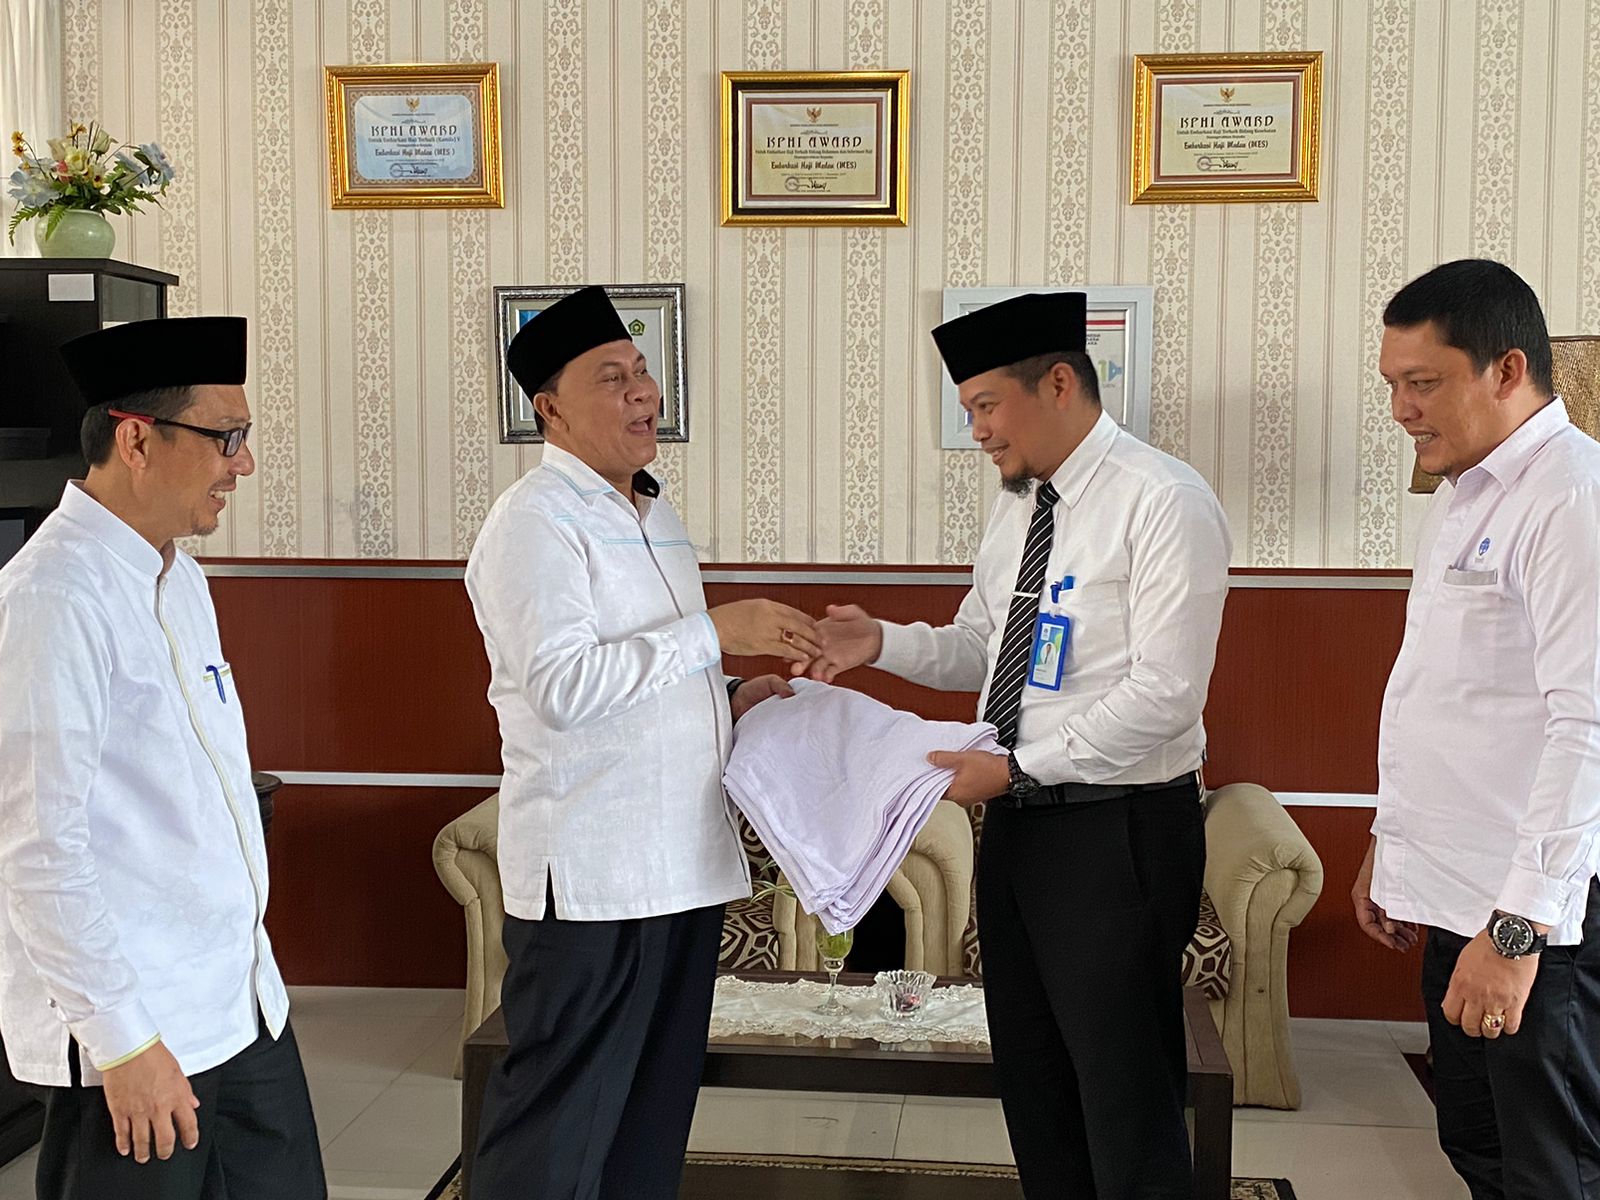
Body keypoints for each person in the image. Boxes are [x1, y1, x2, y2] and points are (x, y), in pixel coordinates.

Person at [801, 291, 1231, 1199]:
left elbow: (1166, 694)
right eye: (968, 412)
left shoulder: (1162, 499)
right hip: (1021, 824)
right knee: (1035, 1076)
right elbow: (984, 647)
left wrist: (1018, 767)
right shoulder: (1022, 505)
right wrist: (881, 641)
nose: (979, 433)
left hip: (1118, 831)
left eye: (987, 407)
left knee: (1123, 1088)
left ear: (1060, 383)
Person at [465, 285, 821, 1199]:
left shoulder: (656, 514)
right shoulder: (535, 521)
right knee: (559, 1133)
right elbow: (563, 689)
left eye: (643, 371)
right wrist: (715, 634)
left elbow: (648, 677)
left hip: (681, 871)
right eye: (611, 377)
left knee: (649, 1124)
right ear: (549, 408)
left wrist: (731, 695)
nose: (643, 393)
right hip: (595, 883)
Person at [0, 317, 324, 1199]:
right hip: (139, 1033)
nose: (242, 465)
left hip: (240, 1002)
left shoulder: (179, 575)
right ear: (137, 440)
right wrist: (123, 1042)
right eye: (226, 437)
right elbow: (38, 849)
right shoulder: (53, 597)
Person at [1353, 259, 1600, 1199]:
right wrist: (1391, 847)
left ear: (1507, 370)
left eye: (1423, 383)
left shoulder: (1571, 499)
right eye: (1392, 385)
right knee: (1480, 1149)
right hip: (1460, 898)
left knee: (1553, 1172)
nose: (1402, 411)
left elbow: (1587, 727)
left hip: (1535, 921)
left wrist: (1518, 933)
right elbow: (1448, 699)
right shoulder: (1465, 494)